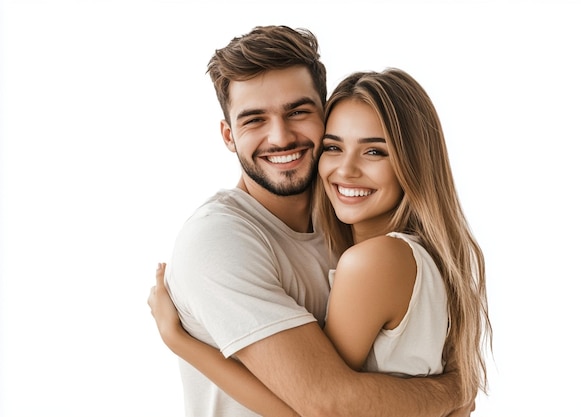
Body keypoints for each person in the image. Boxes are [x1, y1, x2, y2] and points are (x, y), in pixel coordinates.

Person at [150, 25, 477, 417]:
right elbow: (327, 403)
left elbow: (324, 407)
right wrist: (453, 392)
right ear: (228, 135)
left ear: (324, 114)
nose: (280, 137)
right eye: (254, 119)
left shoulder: (356, 240)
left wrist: (181, 341)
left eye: (298, 112)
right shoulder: (218, 239)